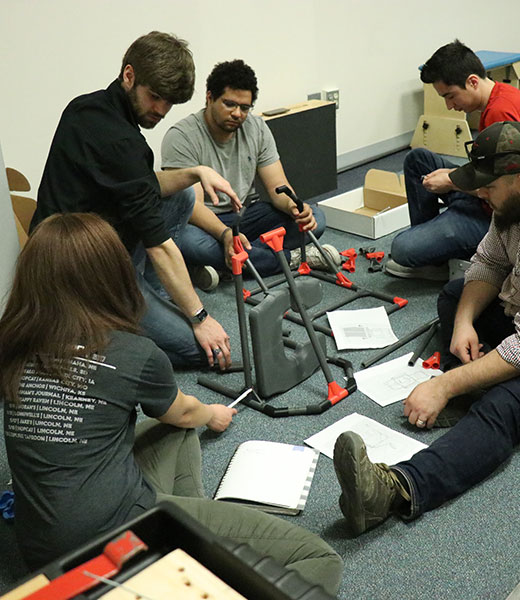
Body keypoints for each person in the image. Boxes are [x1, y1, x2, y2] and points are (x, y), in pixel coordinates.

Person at [0, 213, 343, 594]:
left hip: (41, 551)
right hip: (115, 539)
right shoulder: (133, 353)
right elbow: (184, 410)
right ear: (112, 275)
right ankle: (182, 553)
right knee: (320, 559)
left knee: (176, 433)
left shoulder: (12, 345)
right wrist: (212, 413)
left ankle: (192, 553)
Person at [333, 121, 520, 536]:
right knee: (455, 297)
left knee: (504, 407)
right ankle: (471, 390)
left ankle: (393, 492)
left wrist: (446, 385)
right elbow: (488, 262)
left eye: (487, 187)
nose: (478, 194)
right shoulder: (519, 196)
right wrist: (462, 322)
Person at [31, 31, 237, 370]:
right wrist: (200, 318)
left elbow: (139, 183)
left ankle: (146, 301)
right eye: (155, 97)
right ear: (129, 75)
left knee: (182, 195)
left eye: (169, 102)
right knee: (202, 351)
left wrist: (196, 172)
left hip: (79, 242)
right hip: (79, 271)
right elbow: (160, 245)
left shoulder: (87, 107)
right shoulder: (122, 142)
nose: (161, 110)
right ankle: (100, 332)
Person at [386, 39, 520, 281]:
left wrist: (452, 183)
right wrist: (454, 180)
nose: (449, 105)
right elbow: (489, 173)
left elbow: (505, 192)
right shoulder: (502, 94)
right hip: (486, 193)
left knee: (402, 248)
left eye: (451, 96)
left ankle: (434, 253)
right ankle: (435, 254)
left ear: (473, 81)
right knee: (418, 160)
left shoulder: (499, 113)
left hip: (503, 216)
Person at [161, 59, 339, 281]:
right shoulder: (181, 137)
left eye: (245, 108)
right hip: (203, 224)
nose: (237, 113)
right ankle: (291, 259)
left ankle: (228, 265)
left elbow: (278, 188)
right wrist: (225, 235)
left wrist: (295, 208)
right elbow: (193, 207)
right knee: (188, 242)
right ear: (209, 98)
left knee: (316, 218)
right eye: (229, 104)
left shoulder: (257, 129)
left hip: (243, 217)